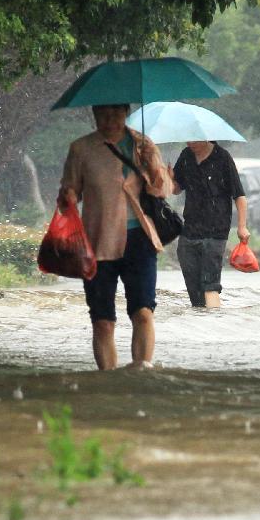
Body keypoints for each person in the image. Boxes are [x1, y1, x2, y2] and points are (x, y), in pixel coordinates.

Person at [58, 104, 173, 371]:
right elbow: (70, 192)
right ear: (94, 115)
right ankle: (107, 381)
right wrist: (69, 197)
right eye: (102, 115)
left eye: (115, 114)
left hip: (139, 241)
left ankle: (141, 373)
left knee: (143, 313)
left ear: (126, 113)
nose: (109, 120)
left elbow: (163, 190)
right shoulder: (81, 149)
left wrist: (153, 164)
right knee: (102, 320)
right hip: (97, 242)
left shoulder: (143, 145)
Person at [173, 141, 248, 309]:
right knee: (194, 290)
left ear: (206, 137)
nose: (190, 143)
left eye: (194, 139)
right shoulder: (186, 156)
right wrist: (164, 177)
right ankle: (200, 326)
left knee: (210, 285)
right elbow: (175, 189)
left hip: (216, 231)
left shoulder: (222, 158)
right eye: (188, 139)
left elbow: (239, 196)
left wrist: (242, 226)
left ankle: (215, 325)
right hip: (189, 231)